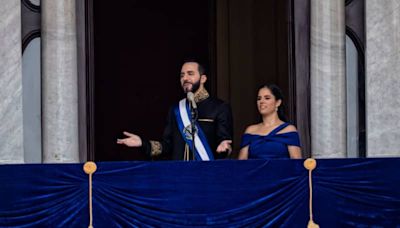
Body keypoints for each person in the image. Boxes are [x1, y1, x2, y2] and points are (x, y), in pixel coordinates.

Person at [117, 59, 233, 161]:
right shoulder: (176, 109)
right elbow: (167, 146)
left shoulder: (220, 107)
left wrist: (225, 148)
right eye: (182, 75)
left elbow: (225, 144)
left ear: (203, 78)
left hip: (206, 176)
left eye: (190, 74)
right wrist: (143, 144)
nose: (185, 78)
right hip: (179, 176)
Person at [238, 84, 302, 159]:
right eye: (259, 99)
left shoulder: (289, 129)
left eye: (267, 98)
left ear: (278, 102)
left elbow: (296, 162)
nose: (261, 101)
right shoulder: (250, 130)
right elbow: (241, 164)